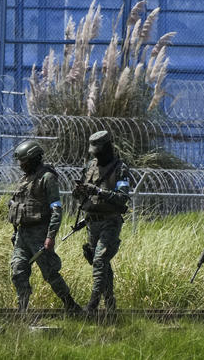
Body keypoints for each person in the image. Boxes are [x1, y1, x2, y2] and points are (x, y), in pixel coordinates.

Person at [8, 140, 83, 314]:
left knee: (50, 273)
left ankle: (70, 305)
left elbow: (56, 209)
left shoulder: (47, 178)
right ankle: (22, 309)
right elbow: (18, 205)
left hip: (40, 233)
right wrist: (15, 232)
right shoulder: (24, 179)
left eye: (24, 162)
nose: (21, 166)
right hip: (23, 234)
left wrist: (51, 236)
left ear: (33, 159)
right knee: (18, 270)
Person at [72, 130, 130, 313]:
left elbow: (122, 198)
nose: (95, 156)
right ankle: (110, 302)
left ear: (107, 148)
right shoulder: (90, 166)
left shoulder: (119, 168)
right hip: (92, 222)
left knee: (99, 260)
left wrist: (98, 192)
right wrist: (80, 191)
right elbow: (80, 194)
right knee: (100, 262)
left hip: (110, 222)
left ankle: (93, 304)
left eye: (98, 151)